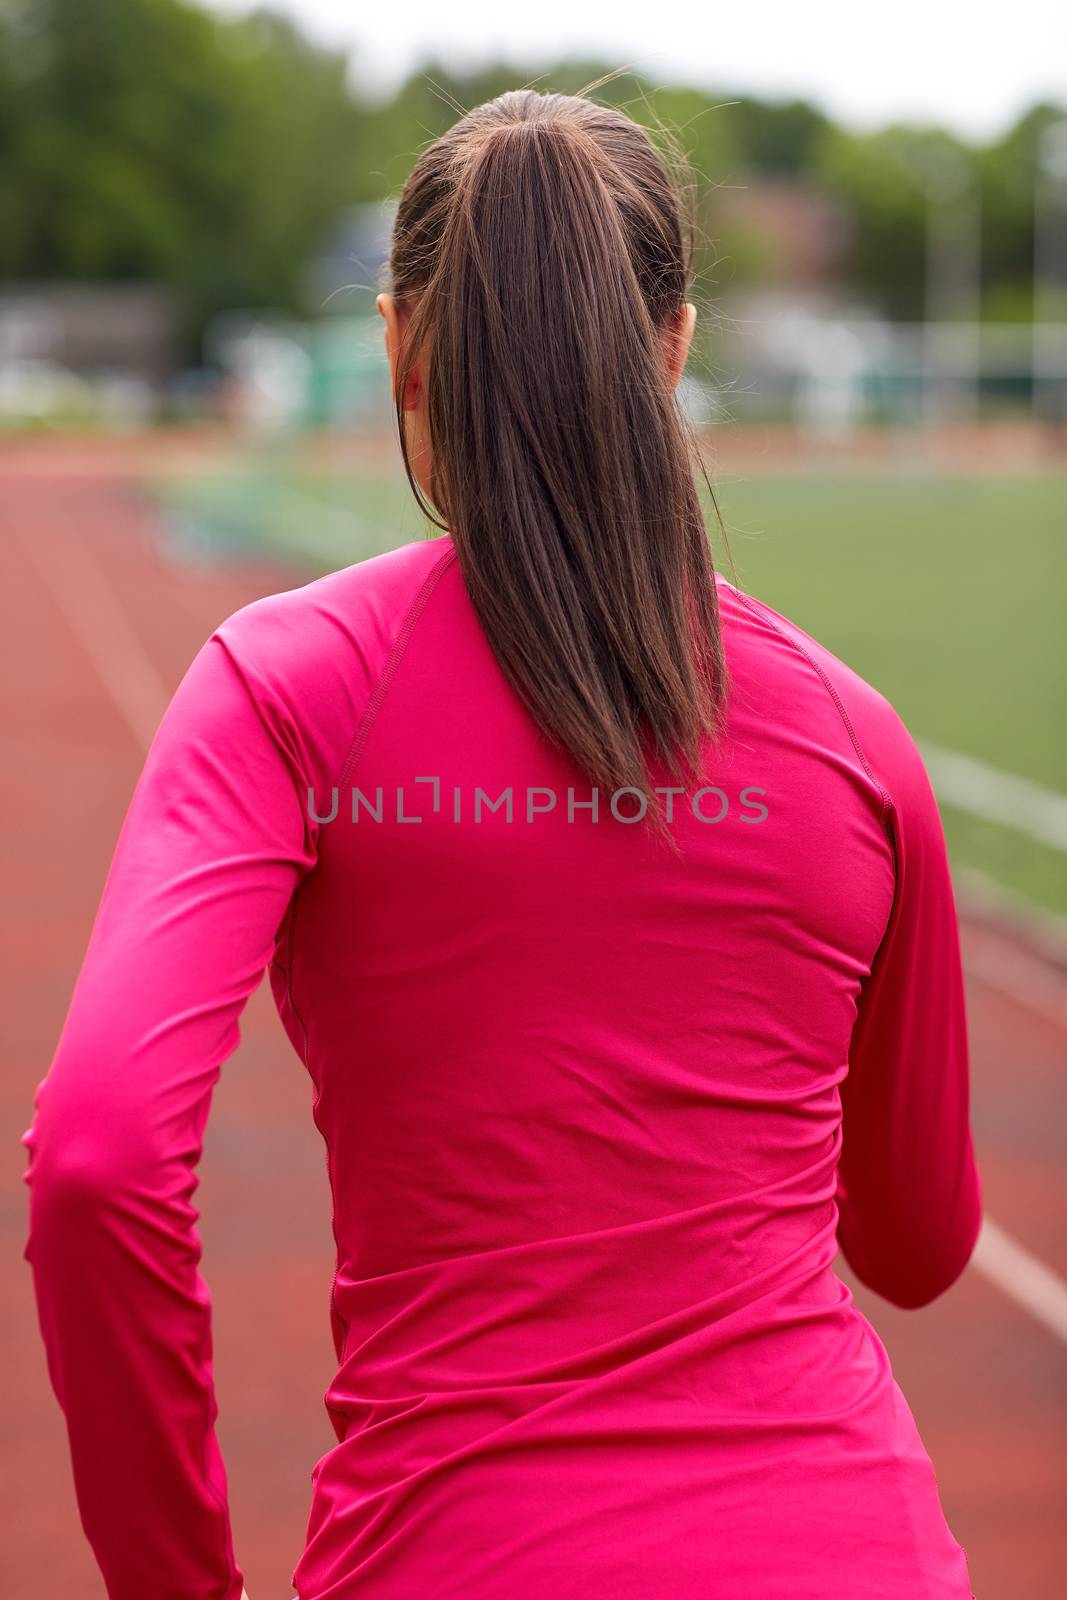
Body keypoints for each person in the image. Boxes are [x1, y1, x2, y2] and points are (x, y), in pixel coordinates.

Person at [20, 87, 982, 1600]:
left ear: (404, 350)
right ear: (670, 351)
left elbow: (97, 1162)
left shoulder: (287, 685)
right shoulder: (860, 742)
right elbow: (921, 1248)